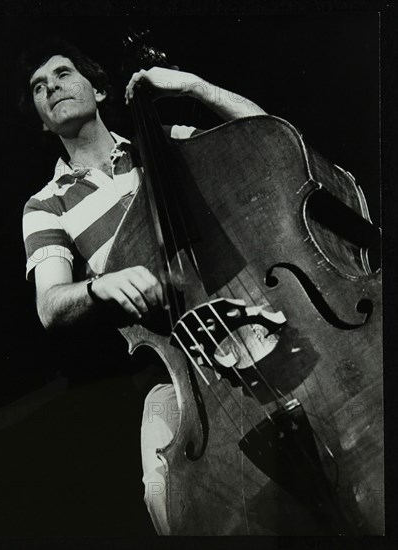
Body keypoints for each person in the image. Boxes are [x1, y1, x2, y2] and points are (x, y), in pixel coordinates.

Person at [19, 37, 266, 535]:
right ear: (42, 119)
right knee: (169, 500)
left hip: (255, 321)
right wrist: (99, 287)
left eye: (63, 74)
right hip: (178, 370)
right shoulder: (46, 206)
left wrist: (193, 87)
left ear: (100, 90)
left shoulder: (165, 144)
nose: (51, 88)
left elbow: (265, 140)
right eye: (39, 88)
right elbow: (50, 305)